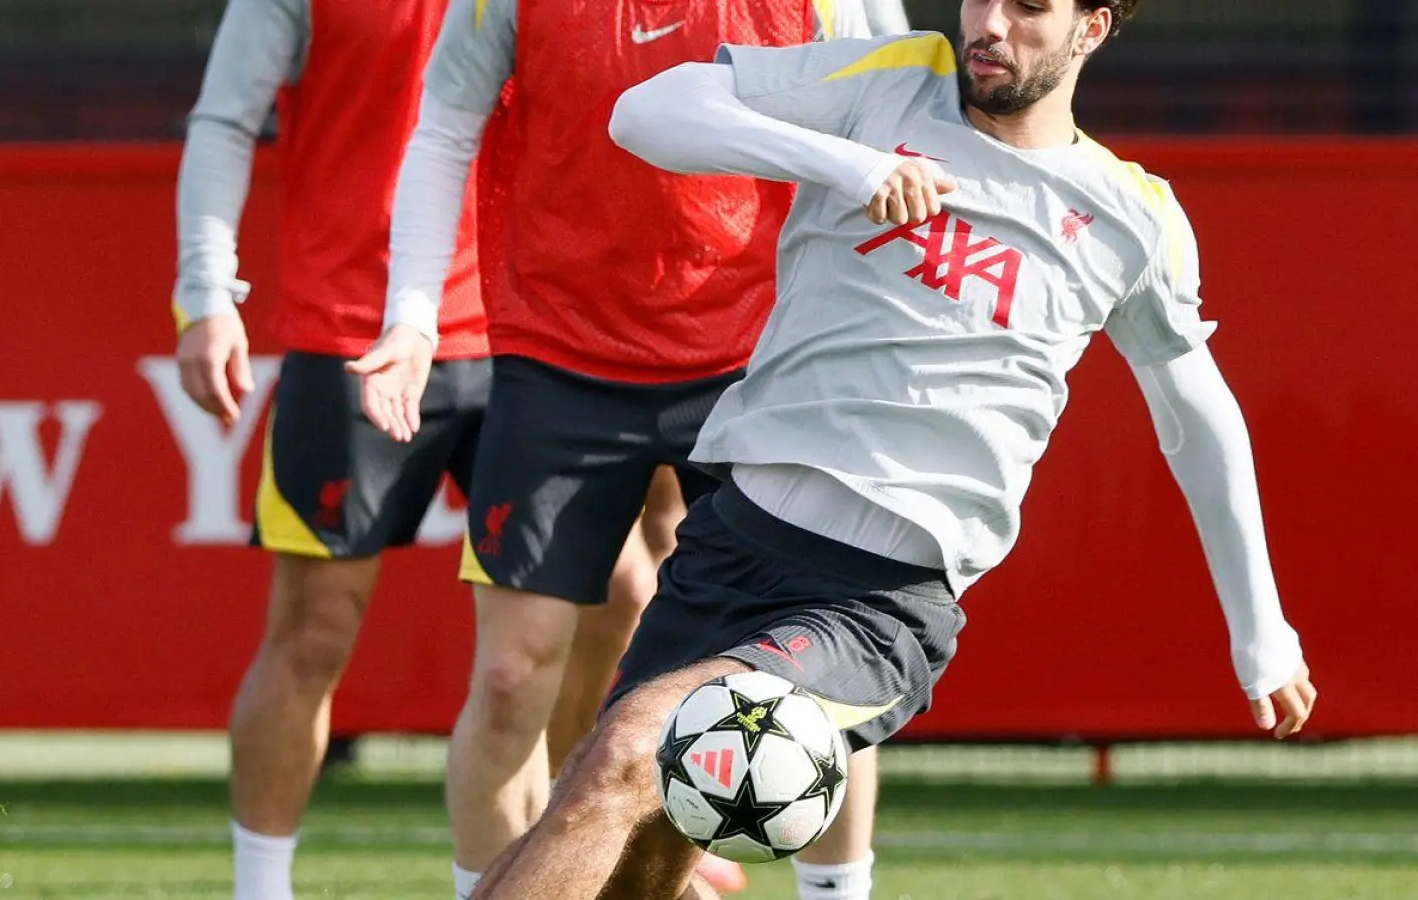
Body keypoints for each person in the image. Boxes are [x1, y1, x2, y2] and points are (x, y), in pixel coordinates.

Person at [466, 1, 1320, 897]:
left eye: (1028, 6)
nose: (988, 23)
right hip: (731, 544)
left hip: (876, 605)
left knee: (638, 749)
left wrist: (1262, 631)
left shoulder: (1131, 215)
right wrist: (849, 165)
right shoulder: (889, 81)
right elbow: (644, 114)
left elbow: (1200, 422)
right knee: (626, 834)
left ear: (1093, 28)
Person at [351, 1, 914, 896]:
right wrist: (414, 317)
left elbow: (897, 135)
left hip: (759, 356)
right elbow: (446, 126)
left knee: (807, 677)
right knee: (506, 678)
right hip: (555, 352)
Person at [170, 2, 678, 898]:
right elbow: (223, 116)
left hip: (535, 334)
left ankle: (567, 861)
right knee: (313, 630)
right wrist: (206, 291)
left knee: (614, 604)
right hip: (353, 334)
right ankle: (261, 888)